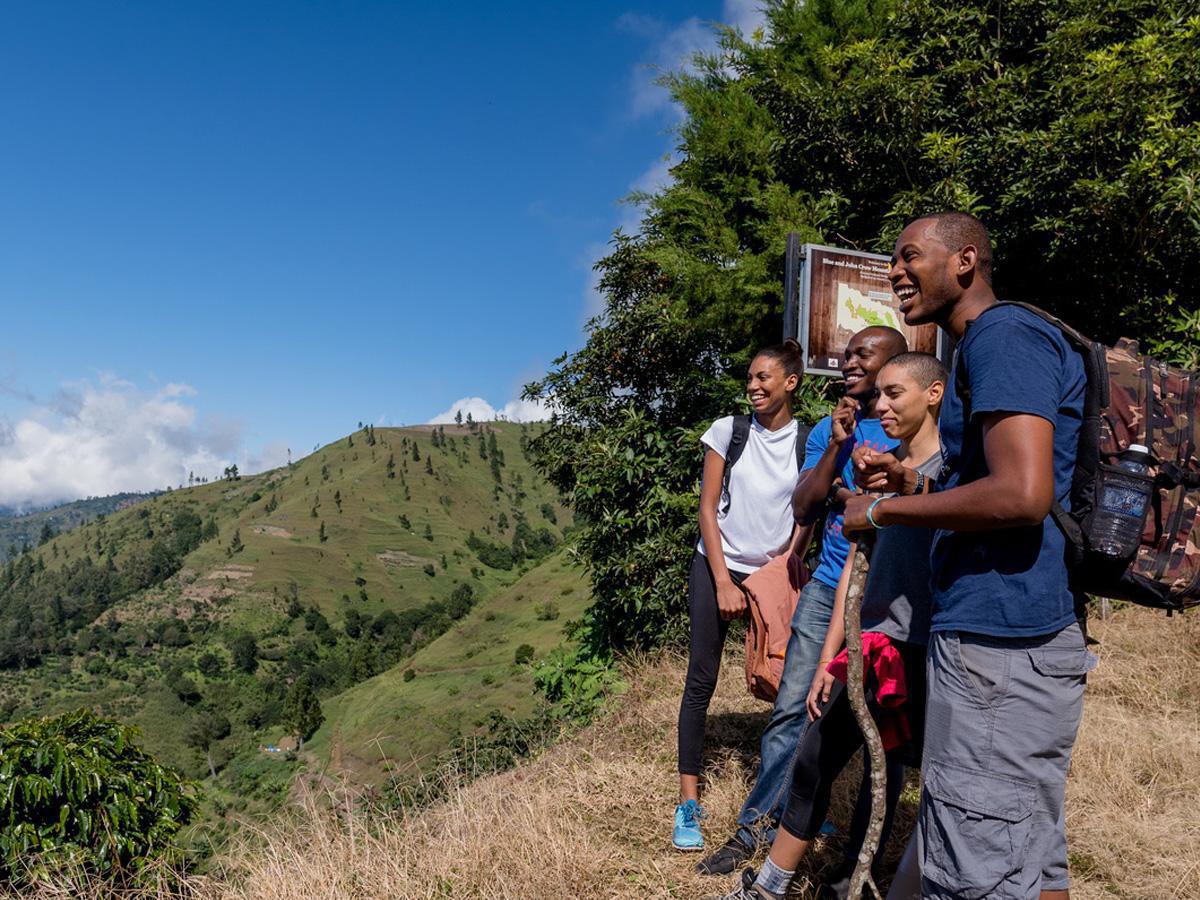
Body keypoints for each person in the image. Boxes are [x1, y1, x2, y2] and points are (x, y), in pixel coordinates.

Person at [843, 212, 1094, 900]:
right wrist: (917, 483)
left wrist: (883, 510)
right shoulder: (977, 351)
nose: (896, 270)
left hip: (998, 646)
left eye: (909, 256)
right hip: (1015, 639)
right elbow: (998, 481)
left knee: (975, 871)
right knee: (1032, 854)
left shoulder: (1003, 336)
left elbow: (1020, 493)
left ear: (965, 262)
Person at [717, 351, 946, 900]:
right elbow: (853, 564)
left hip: (923, 649)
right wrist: (829, 660)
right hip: (868, 642)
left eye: (895, 394)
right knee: (815, 755)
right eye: (880, 394)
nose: (882, 405)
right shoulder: (879, 464)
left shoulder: (953, 474)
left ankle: (852, 880)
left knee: (888, 771)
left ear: (933, 395)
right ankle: (770, 884)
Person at [675, 339, 809, 850]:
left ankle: (792, 800)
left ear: (790, 383)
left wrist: (784, 568)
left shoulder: (806, 441)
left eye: (763, 378)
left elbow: (806, 515)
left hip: (774, 575)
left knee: (787, 684)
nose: (752, 386)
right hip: (716, 566)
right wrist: (723, 581)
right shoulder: (727, 432)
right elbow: (707, 509)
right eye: (750, 378)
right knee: (701, 679)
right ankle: (688, 803)